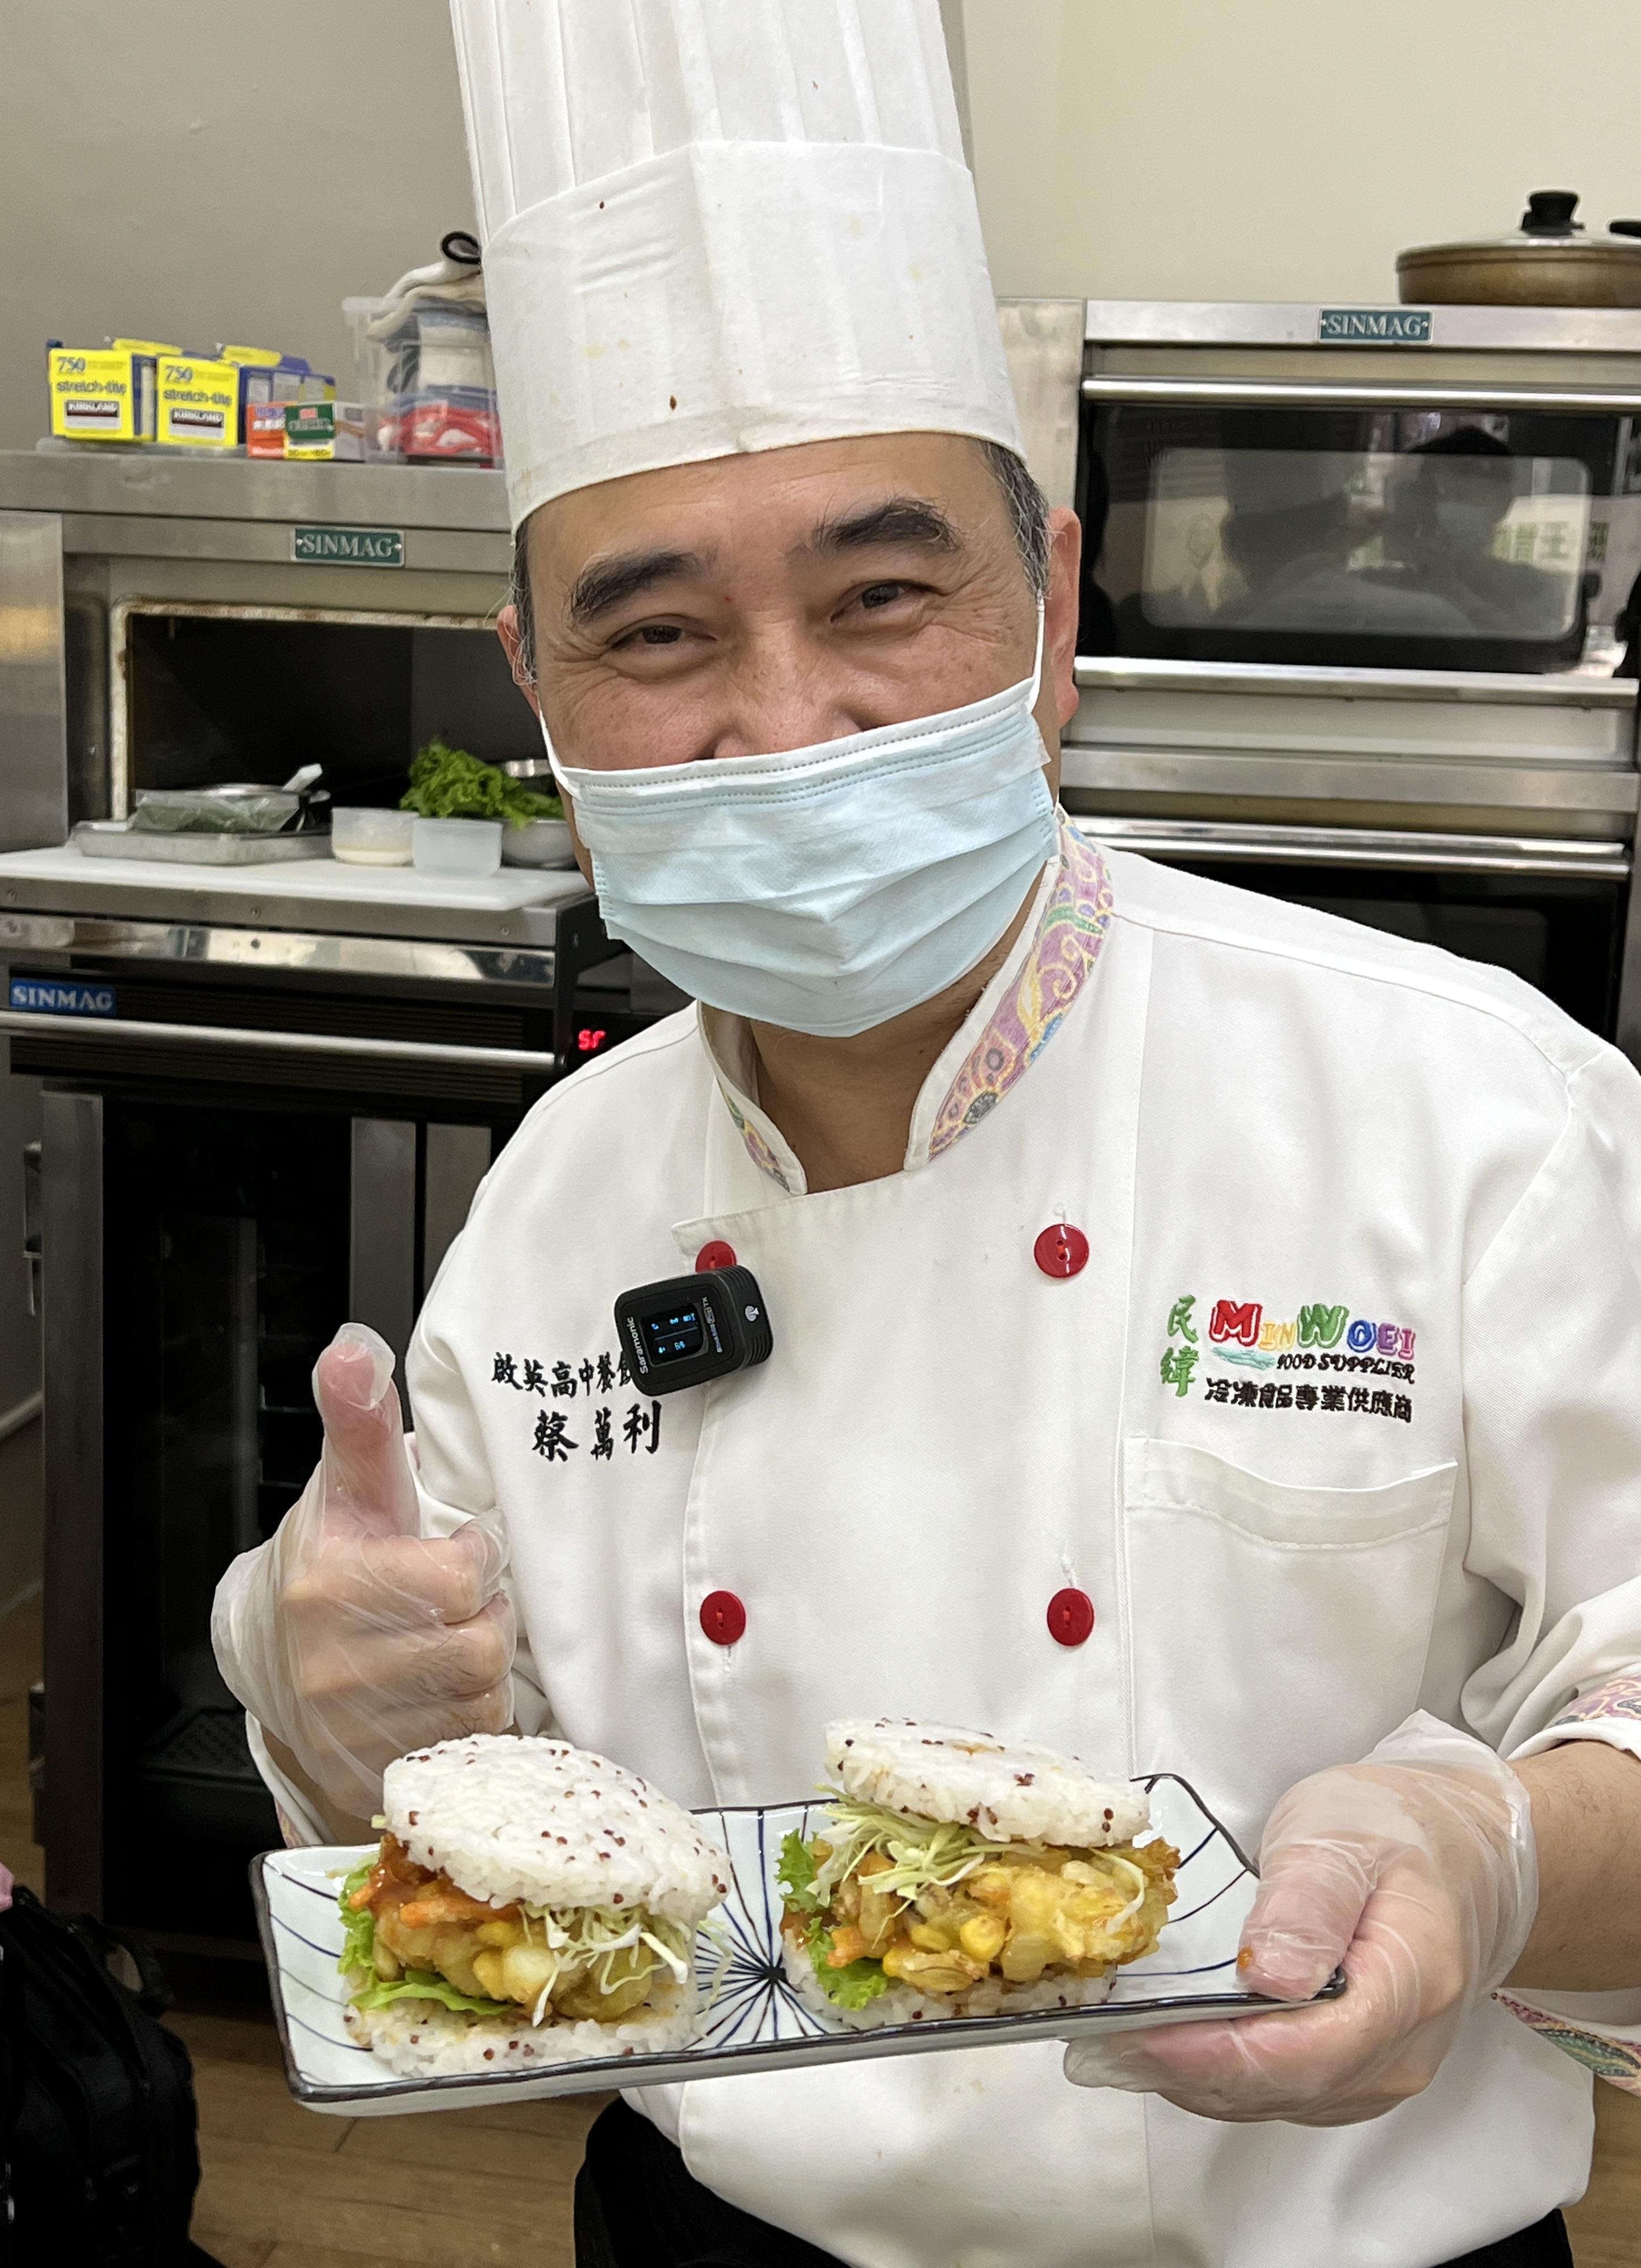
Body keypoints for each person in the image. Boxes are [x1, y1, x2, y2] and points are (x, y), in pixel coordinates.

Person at [214, 6, 1641, 2263]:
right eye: (656, 636)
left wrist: (1495, 1851)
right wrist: (321, 1687)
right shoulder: (566, 1193)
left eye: (884, 595)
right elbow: (453, 1784)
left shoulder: (1472, 1106)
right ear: (539, 696)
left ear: (1050, 615)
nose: (789, 723)